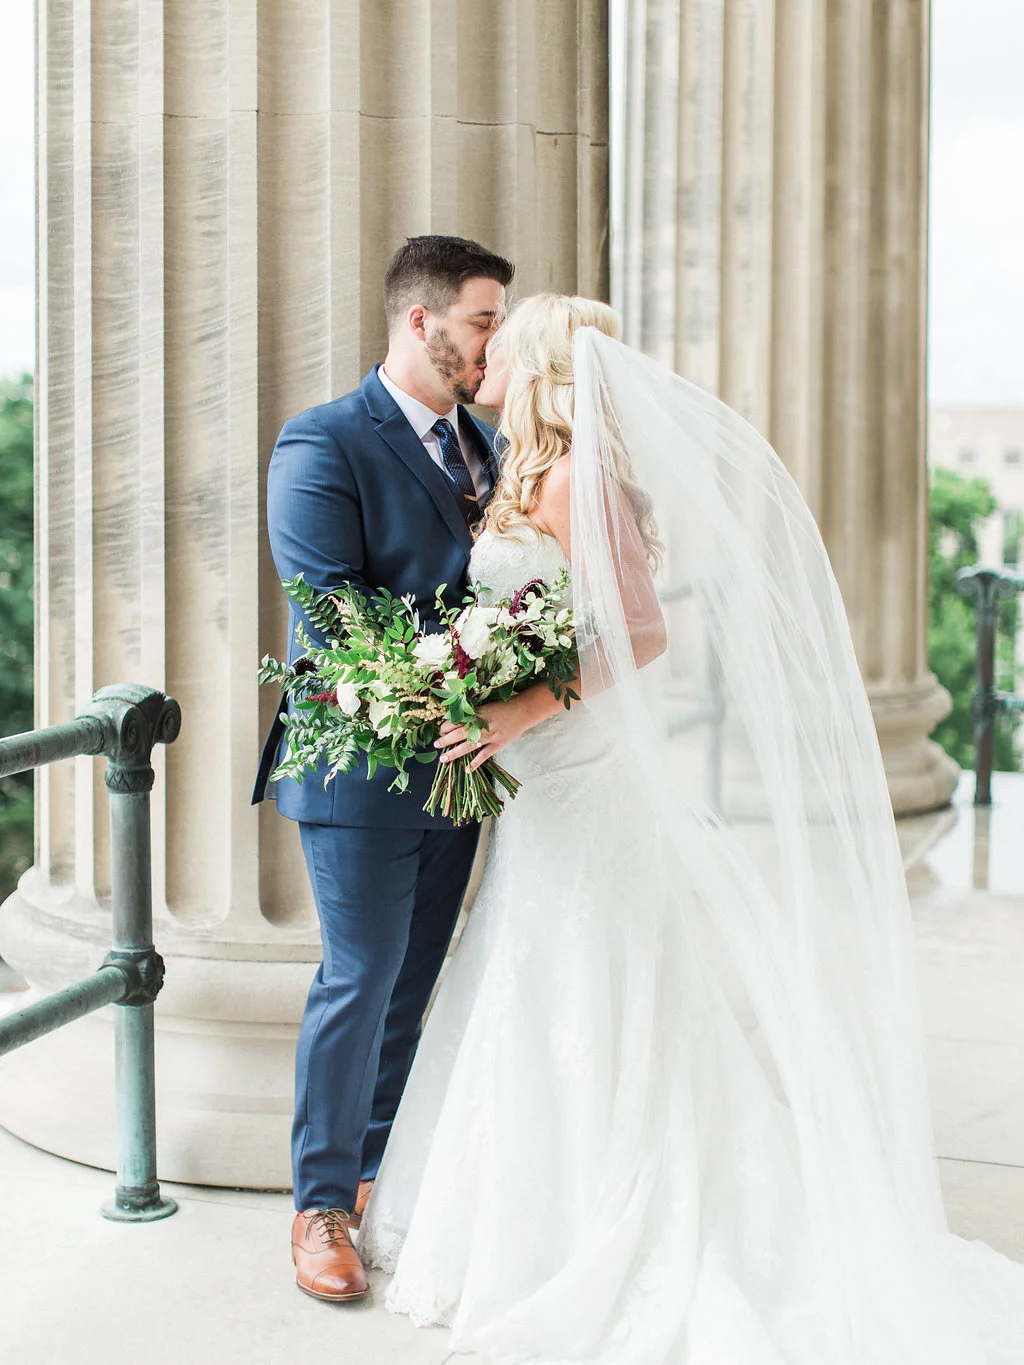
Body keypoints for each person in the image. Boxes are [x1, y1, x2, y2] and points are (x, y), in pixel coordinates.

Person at [358, 294, 1024, 1362]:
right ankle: (524, 1211)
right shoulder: (525, 472)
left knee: (580, 969)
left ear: (536, 367)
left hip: (581, 769)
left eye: (503, 339)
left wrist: (513, 708)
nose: (484, 354)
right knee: (531, 969)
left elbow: (643, 628)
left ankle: (605, 1217)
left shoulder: (578, 480)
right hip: (542, 780)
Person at [252, 234, 514, 1302]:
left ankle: (372, 1178)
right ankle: (316, 1208)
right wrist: (482, 656)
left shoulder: (490, 449)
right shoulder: (322, 442)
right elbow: (331, 608)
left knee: (412, 981)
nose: (494, 341)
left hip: (463, 766)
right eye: (483, 320)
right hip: (358, 764)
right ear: (421, 321)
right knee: (358, 977)